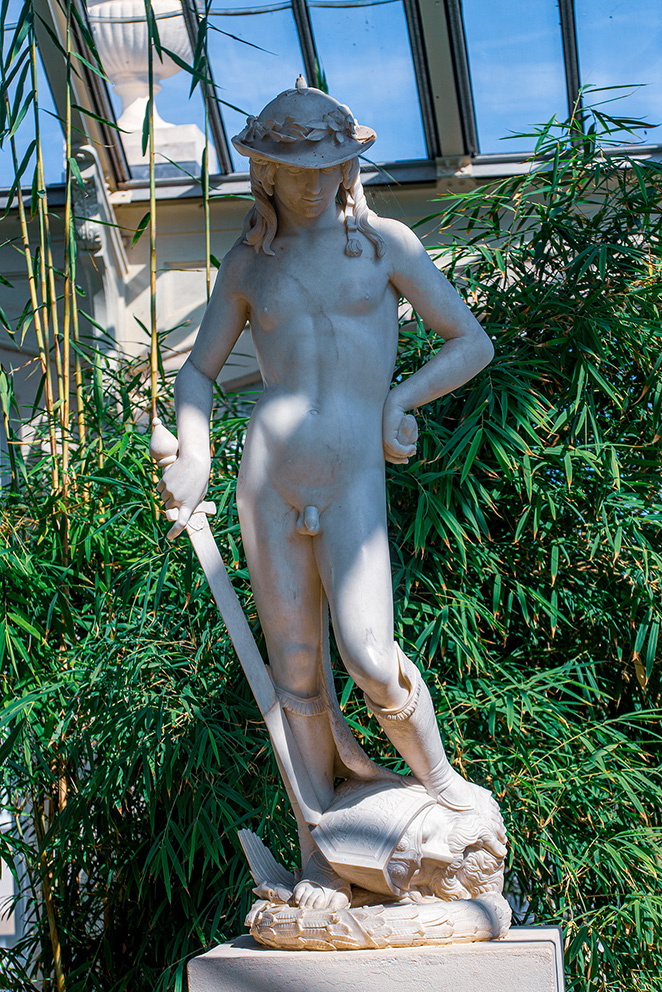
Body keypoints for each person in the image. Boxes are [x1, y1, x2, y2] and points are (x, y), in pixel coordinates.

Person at [158, 78, 495, 910]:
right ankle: (322, 856)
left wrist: (399, 400)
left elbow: (470, 341)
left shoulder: (384, 246)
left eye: (328, 164)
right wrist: (194, 452)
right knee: (297, 676)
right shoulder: (248, 263)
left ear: (349, 165)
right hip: (267, 476)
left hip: (352, 473)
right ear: (264, 173)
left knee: (370, 658)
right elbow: (198, 372)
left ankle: (446, 784)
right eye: (291, 168)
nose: (312, 181)